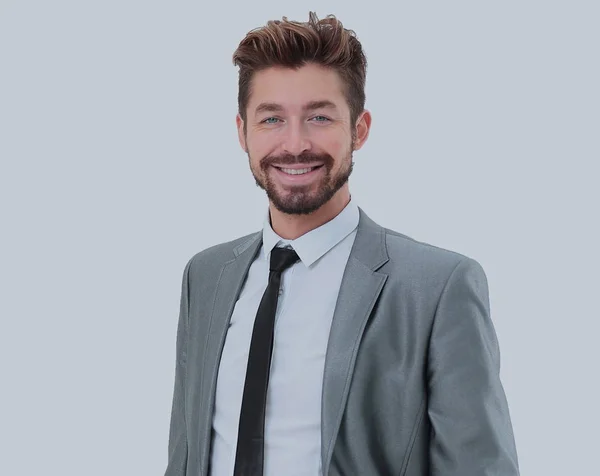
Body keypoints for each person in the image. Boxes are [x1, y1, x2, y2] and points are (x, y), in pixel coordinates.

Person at [164, 12, 520, 476]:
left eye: (319, 116)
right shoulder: (205, 276)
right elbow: (186, 455)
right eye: (271, 118)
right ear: (242, 132)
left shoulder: (437, 288)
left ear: (359, 129)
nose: (295, 144)